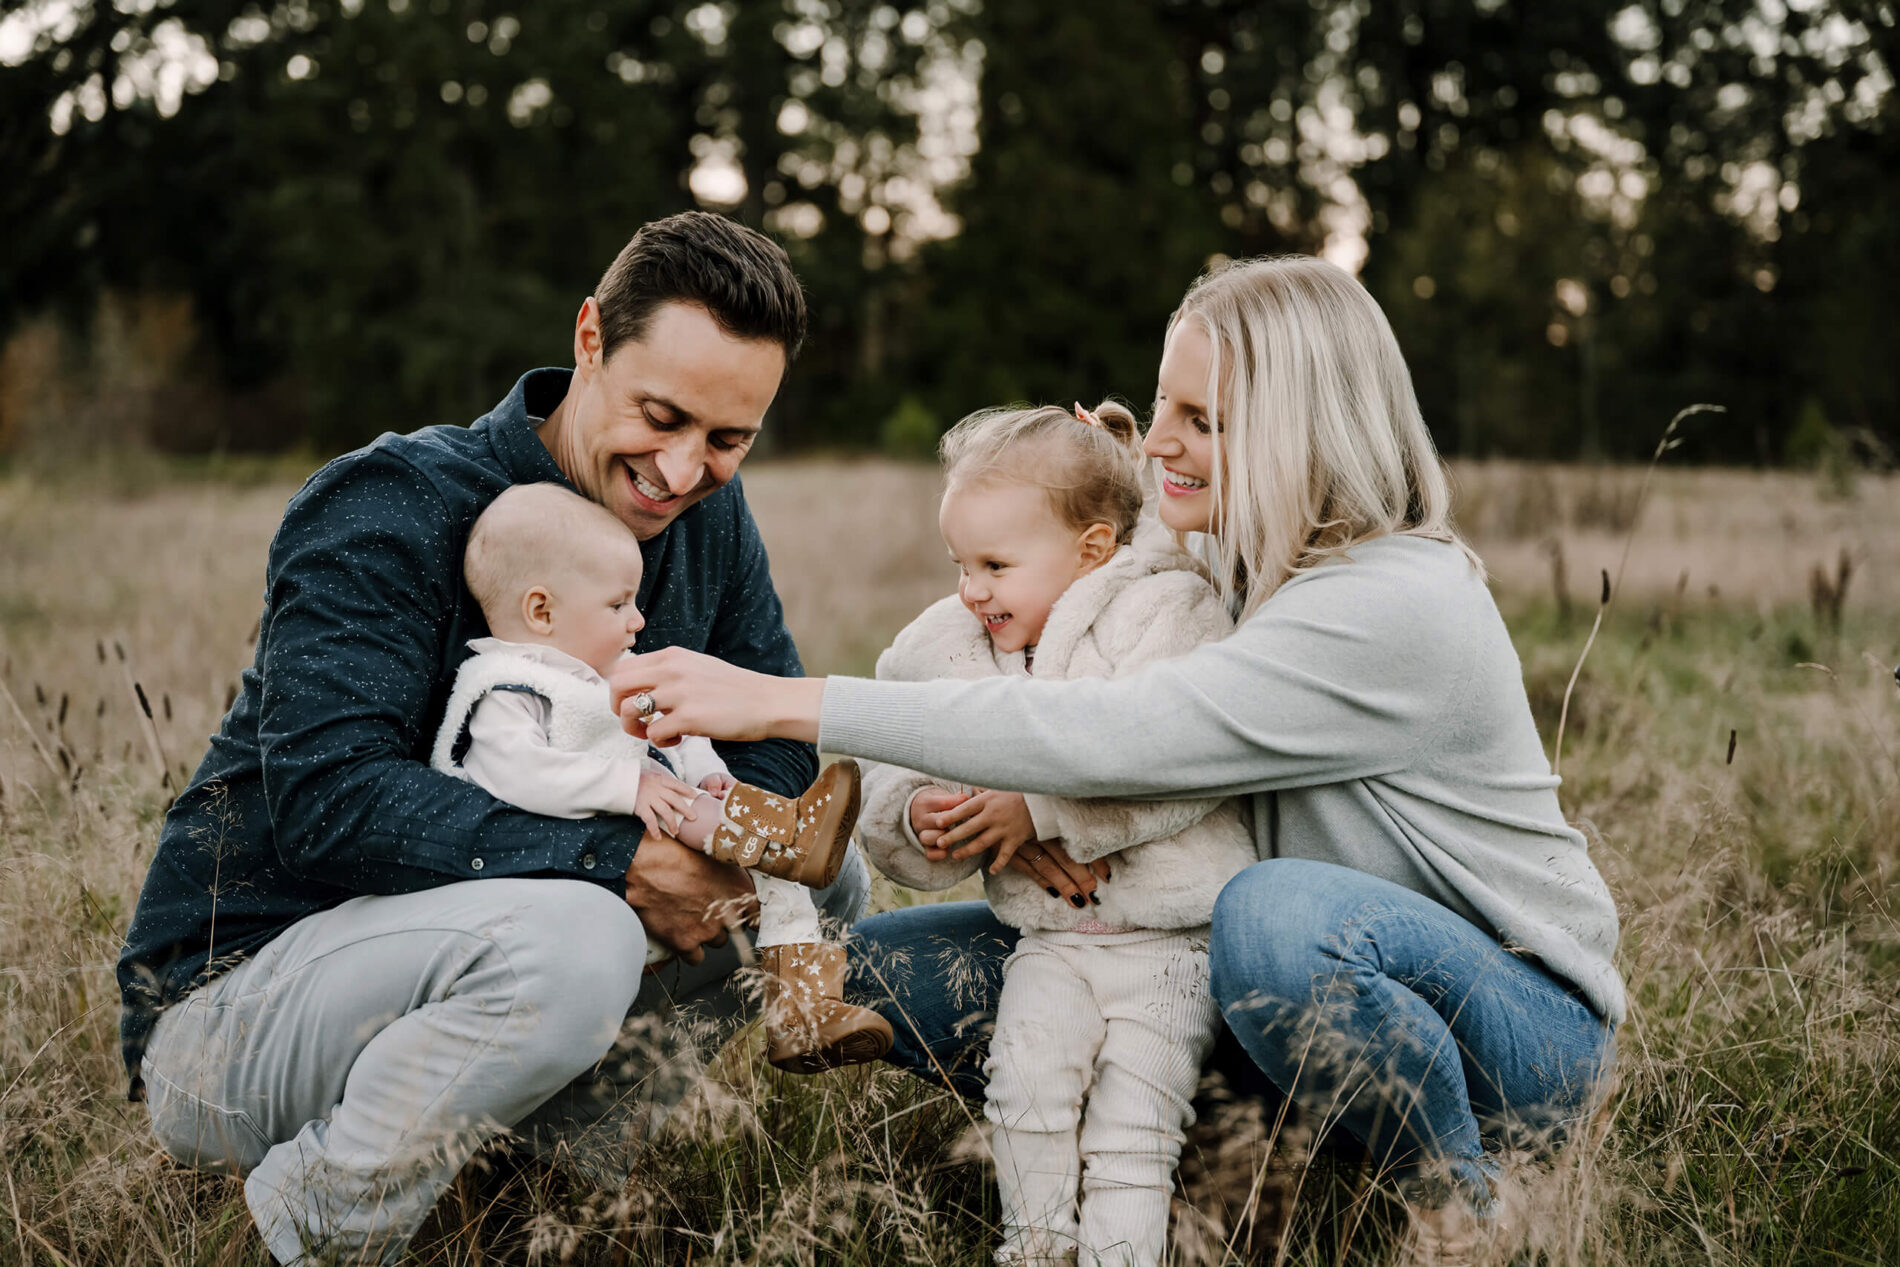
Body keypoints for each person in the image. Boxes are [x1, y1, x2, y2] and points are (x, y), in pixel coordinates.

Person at [612, 256, 1623, 1265]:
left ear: (1301, 433)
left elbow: (1127, 729)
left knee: (1272, 915)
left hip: (1512, 1031)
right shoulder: (1225, 548)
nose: (1167, 442)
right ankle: (1156, 1154)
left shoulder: (1386, 601)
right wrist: (1080, 465)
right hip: (1226, 974)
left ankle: (1457, 1213)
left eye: (1206, 419)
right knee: (867, 970)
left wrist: (787, 702)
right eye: (1160, 404)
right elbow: (1087, 540)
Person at [115, 212, 869, 1265]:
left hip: (493, 957)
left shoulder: (707, 524)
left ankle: (537, 1198)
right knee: (582, 934)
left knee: (821, 873)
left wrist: (710, 833)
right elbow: (331, 801)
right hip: (238, 1009)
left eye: (727, 440)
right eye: (662, 415)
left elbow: (770, 734)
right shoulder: (389, 503)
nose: (683, 469)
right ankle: (318, 1225)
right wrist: (617, 859)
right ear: (589, 339)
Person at [855, 400, 1256, 1266]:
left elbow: (1179, 760)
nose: (972, 589)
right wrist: (917, 810)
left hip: (1169, 939)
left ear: (1092, 550)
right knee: (1025, 1086)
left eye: (996, 564)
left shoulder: (1167, 615)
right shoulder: (954, 643)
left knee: (1131, 1131)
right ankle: (1033, 1248)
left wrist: (1037, 806)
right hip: (1052, 938)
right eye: (960, 562)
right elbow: (890, 742)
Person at [432, 481, 891, 1072]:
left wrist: (709, 774)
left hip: (645, 840)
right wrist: (631, 788)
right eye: (618, 604)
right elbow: (524, 776)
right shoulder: (508, 689)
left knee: (778, 880)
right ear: (541, 611)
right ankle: (788, 836)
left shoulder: (610, 674)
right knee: (708, 823)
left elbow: (681, 731)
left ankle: (802, 1010)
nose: (638, 618)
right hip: (567, 881)